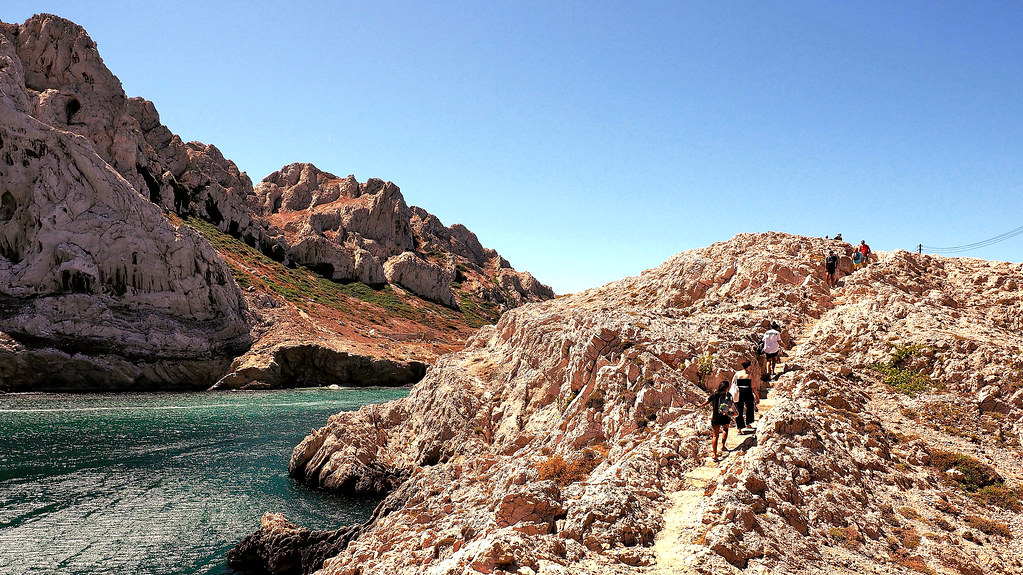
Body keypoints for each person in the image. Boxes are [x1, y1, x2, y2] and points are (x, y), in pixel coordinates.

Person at [701, 380, 736, 462]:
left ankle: (714, 455)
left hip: (716, 416)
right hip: (725, 415)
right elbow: (731, 405)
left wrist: (701, 405)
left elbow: (707, 401)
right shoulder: (728, 395)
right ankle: (723, 446)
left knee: (715, 436)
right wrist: (734, 412)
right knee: (725, 429)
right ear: (727, 387)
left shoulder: (715, 394)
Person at [729, 360, 759, 434]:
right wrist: (757, 397)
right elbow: (753, 387)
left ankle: (739, 428)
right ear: (748, 366)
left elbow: (733, 383)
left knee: (739, 409)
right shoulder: (750, 375)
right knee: (750, 407)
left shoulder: (737, 373)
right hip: (747, 392)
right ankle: (748, 423)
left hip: (739, 392)